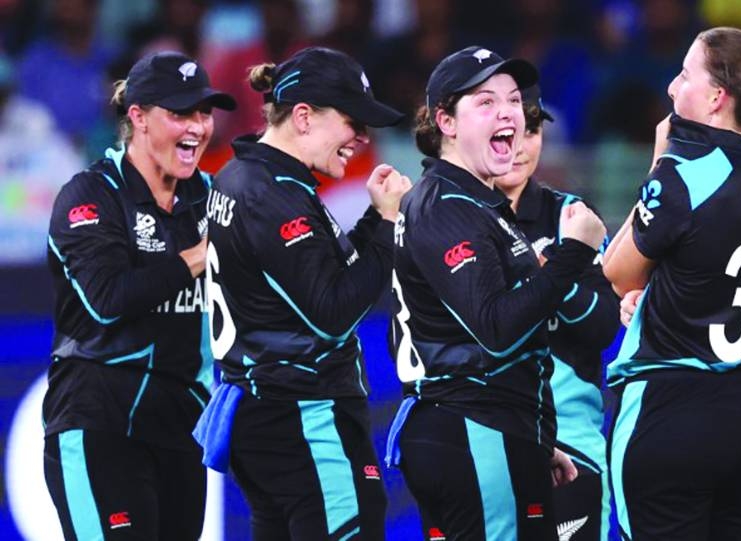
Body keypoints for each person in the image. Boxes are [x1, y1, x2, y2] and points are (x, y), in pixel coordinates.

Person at [385, 46, 606, 541]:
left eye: (512, 100)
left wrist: (530, 439)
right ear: (445, 121)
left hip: (490, 429)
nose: (506, 111)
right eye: (485, 102)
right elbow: (498, 331)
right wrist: (573, 254)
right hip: (472, 429)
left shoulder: (470, 202)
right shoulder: (447, 203)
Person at [603, 27, 741, 540]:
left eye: (684, 74)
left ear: (717, 97)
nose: (673, 89)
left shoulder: (688, 171)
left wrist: (659, 164)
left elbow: (618, 273)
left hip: (674, 407)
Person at [193, 46, 409, 540]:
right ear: (305, 116)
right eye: (352, 121)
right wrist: (389, 224)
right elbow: (332, 311)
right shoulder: (273, 194)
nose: (361, 137)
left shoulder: (245, 175)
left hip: (263, 412)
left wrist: (375, 219)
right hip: (304, 418)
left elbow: (313, 275)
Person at [44, 50, 235, 540]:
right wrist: (200, 257)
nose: (196, 128)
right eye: (179, 114)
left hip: (180, 431)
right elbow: (107, 299)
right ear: (138, 118)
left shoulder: (213, 197)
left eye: (203, 113)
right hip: (98, 425)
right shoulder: (90, 195)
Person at [491, 83, 619, 541]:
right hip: (482, 442)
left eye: (532, 133)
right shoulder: (448, 216)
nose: (521, 147)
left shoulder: (574, 216)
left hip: (571, 439)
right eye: (510, 132)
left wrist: (556, 279)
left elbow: (603, 327)